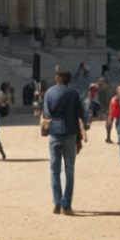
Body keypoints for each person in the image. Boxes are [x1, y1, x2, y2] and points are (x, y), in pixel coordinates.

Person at [43, 65, 89, 215]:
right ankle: (66, 204)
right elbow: (80, 114)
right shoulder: (74, 94)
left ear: (58, 77)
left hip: (55, 132)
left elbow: (46, 114)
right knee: (69, 169)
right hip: (69, 133)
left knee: (54, 168)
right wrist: (82, 133)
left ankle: (56, 201)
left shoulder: (49, 92)